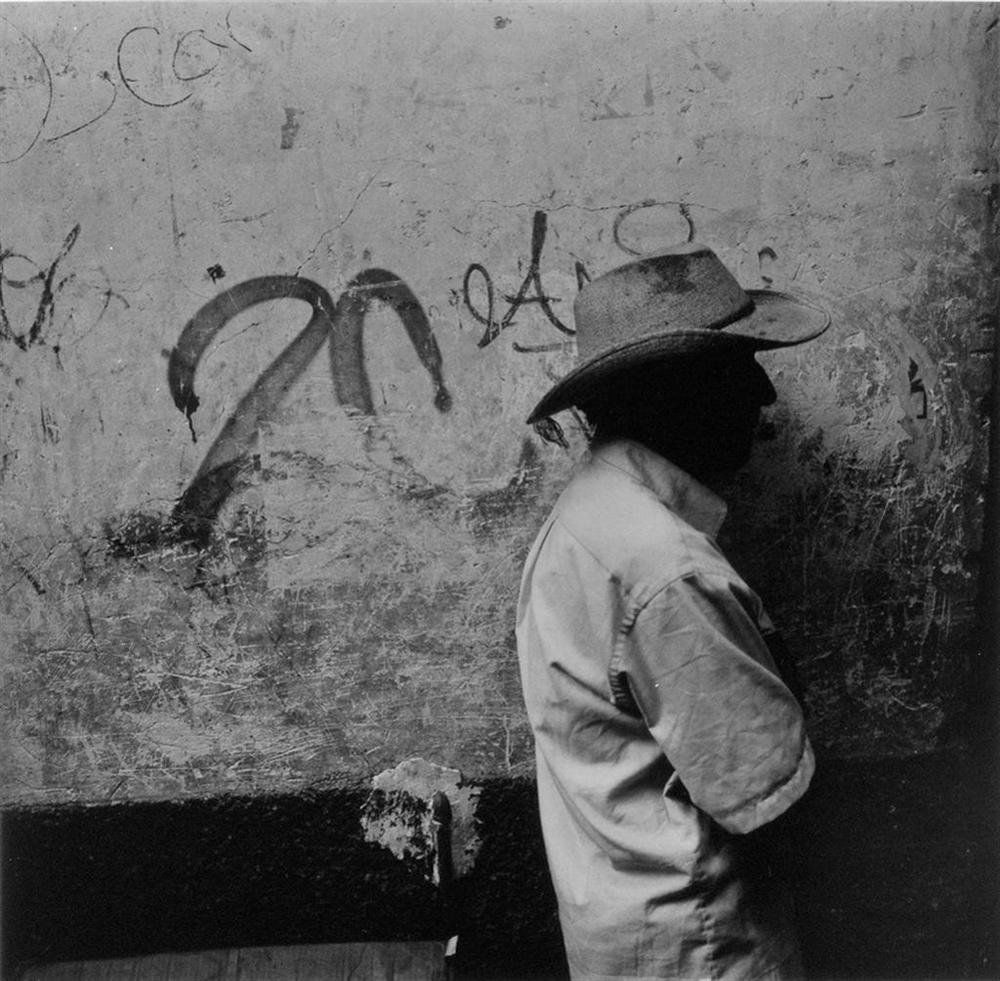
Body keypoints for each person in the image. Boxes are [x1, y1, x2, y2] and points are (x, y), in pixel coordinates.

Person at [515, 242, 830, 981]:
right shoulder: (664, 566)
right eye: (739, 368)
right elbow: (763, 796)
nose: (765, 396)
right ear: (678, 394)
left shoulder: (590, 515)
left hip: (632, 931)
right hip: (702, 950)